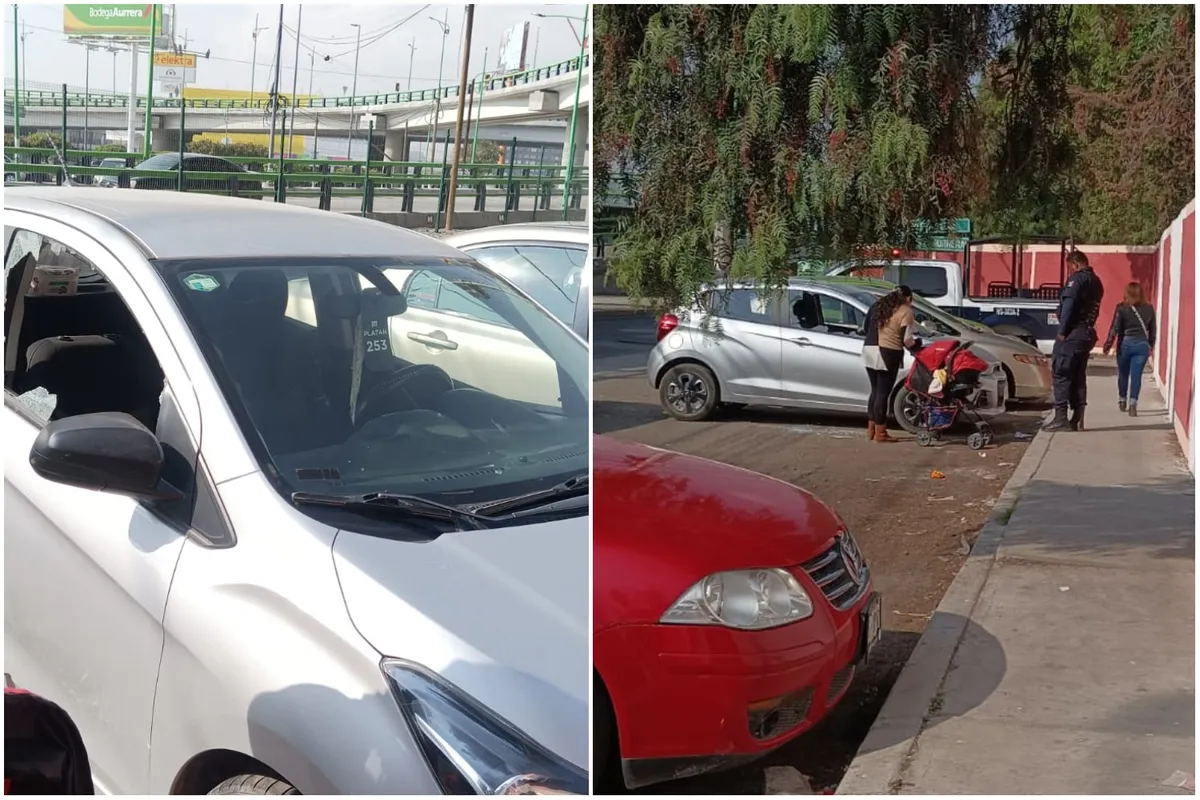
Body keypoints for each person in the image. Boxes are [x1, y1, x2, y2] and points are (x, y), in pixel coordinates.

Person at [1043, 250, 1104, 432]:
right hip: (1086, 332)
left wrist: (1062, 332)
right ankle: (1078, 417)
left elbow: (1069, 306)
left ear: (1075, 264)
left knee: (1061, 373)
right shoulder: (1097, 282)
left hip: (1073, 333)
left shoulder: (1076, 280)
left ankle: (1061, 417)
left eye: (1070, 267)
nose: (1070, 271)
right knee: (1078, 375)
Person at [862, 285, 916, 443]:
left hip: (869, 349)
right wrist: (917, 345)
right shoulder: (906, 311)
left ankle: (871, 430)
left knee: (875, 390)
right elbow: (907, 340)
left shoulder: (877, 305)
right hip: (888, 352)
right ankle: (881, 433)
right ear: (908, 298)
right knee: (882, 393)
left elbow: (865, 327)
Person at [1102, 281, 1156, 416]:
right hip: (1142, 346)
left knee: (1123, 374)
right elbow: (1153, 330)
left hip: (1125, 345)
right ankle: (1133, 404)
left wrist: (1108, 344)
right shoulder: (1149, 308)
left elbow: (1115, 328)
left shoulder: (1121, 308)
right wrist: (1150, 346)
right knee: (1136, 376)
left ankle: (1122, 400)